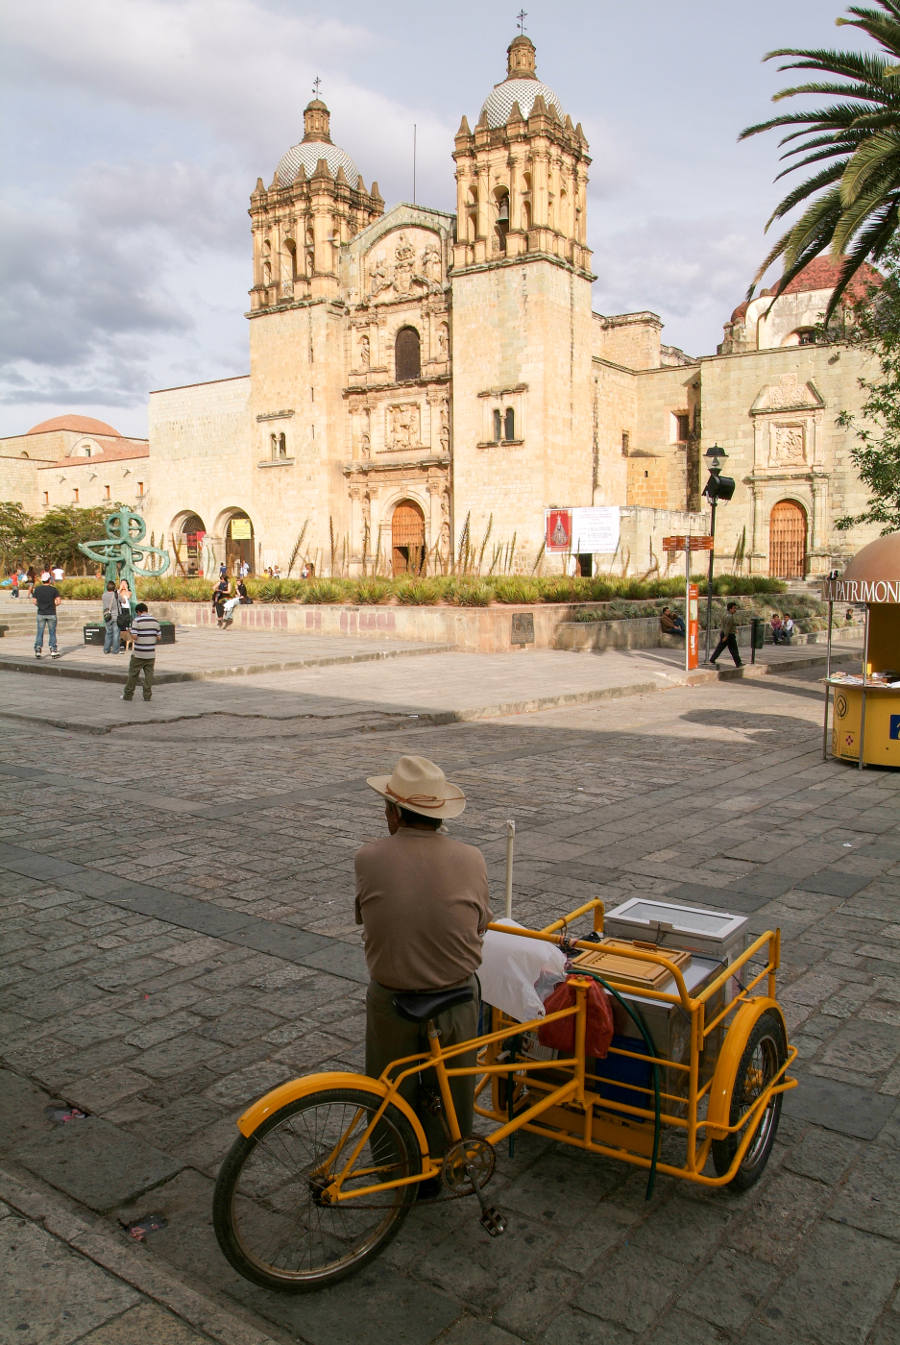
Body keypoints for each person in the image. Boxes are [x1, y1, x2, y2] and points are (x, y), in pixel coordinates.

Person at [354, 755, 492, 1162]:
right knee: (453, 1089)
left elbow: (370, 915)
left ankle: (394, 1167)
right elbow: (481, 923)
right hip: (456, 997)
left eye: (386, 807)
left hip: (392, 997)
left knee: (388, 1091)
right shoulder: (472, 858)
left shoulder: (368, 857)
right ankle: (448, 1158)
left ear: (396, 813)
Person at [121, 602, 161, 702]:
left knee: (133, 674)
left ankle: (128, 695)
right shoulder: (155, 621)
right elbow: (159, 637)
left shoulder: (137, 620)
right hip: (151, 653)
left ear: (138, 612)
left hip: (139, 653)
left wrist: (130, 631)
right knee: (149, 676)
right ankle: (147, 696)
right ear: (146, 610)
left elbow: (134, 637)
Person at [32, 570, 62, 659]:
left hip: (41, 613)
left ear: (42, 580)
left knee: (39, 632)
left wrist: (40, 605)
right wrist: (53, 605)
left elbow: (34, 601)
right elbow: (59, 601)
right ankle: (53, 650)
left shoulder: (37, 589)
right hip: (51, 613)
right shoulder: (54, 589)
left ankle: (38, 650)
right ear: (49, 579)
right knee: (52, 632)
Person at [709, 600, 743, 668]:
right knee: (734, 650)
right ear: (730, 609)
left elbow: (727, 625)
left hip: (725, 634)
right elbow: (727, 627)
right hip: (729, 635)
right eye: (734, 608)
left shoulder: (725, 614)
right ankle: (738, 663)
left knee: (720, 648)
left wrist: (733, 630)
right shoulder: (729, 616)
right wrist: (726, 636)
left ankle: (712, 659)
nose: (735, 610)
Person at [101, 581, 122, 654]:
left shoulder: (103, 595)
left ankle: (106, 649)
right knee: (116, 634)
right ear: (114, 587)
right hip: (116, 617)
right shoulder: (116, 595)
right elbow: (124, 601)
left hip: (107, 616)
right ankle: (115, 650)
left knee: (108, 633)